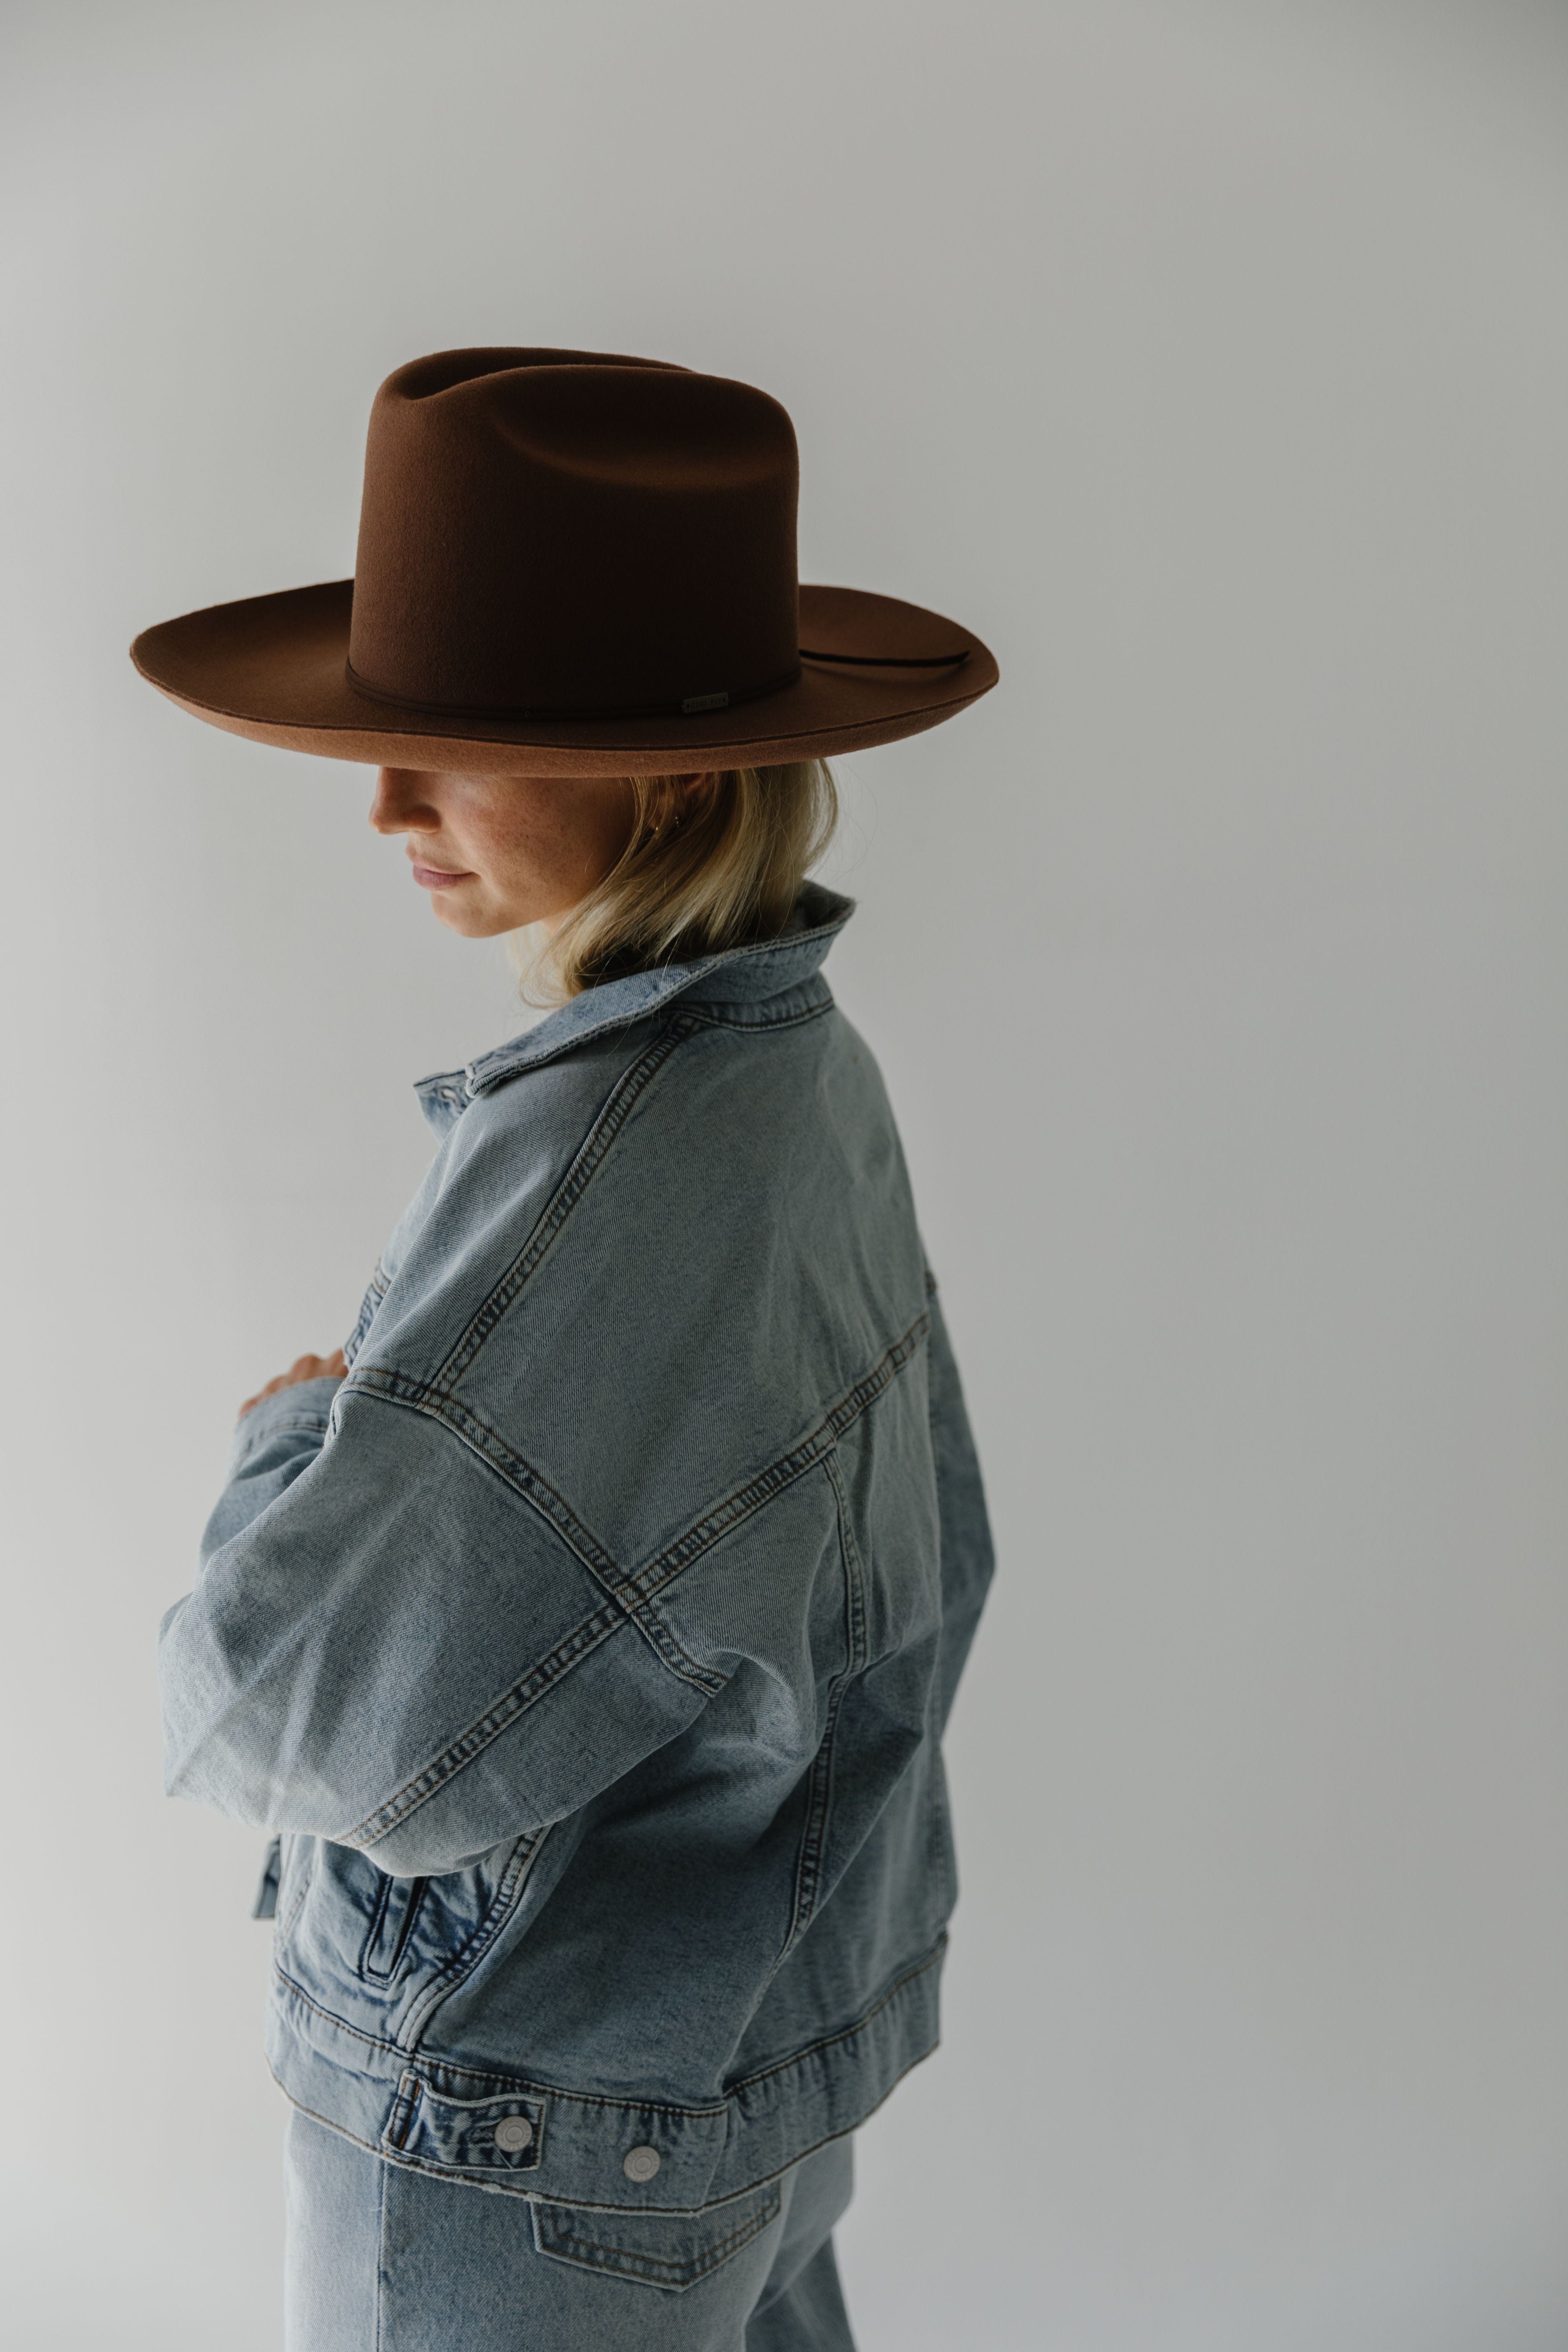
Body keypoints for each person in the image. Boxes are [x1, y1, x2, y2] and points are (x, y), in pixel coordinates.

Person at [132, 347, 999, 2352]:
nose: (381, 801)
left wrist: (293, 1448)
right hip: (729, 2078)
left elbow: (275, 1711)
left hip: (524, 2137)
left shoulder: (600, 1172)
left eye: (451, 738)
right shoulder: (792, 1066)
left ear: (674, 769)